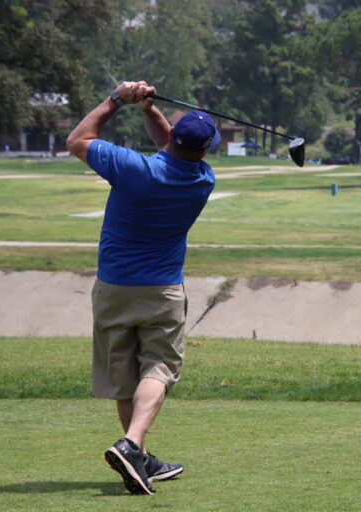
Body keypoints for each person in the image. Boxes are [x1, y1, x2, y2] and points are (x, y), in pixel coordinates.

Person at [66, 81, 218, 495]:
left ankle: (136, 451)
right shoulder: (203, 179)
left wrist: (119, 100)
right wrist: (150, 111)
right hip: (162, 290)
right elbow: (176, 147)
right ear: (203, 150)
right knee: (159, 367)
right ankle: (134, 447)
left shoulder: (132, 168)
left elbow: (78, 139)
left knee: (124, 375)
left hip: (113, 286)